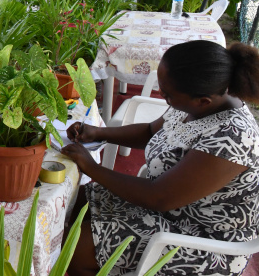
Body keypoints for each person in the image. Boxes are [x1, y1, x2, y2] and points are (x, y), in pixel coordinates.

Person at [63, 40, 259, 276]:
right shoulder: (194, 101)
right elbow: (150, 132)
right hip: (171, 207)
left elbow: (159, 198)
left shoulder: (233, 138)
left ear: (203, 100)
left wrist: (91, 167)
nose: (163, 97)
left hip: (203, 238)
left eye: (167, 95)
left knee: (75, 248)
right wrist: (98, 132)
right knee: (78, 199)